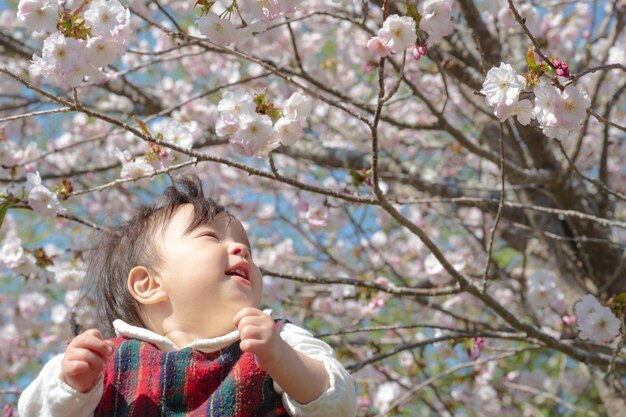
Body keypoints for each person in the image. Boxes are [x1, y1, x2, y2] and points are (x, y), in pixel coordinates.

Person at [18, 177, 357, 417]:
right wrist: (70, 384)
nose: (240, 249)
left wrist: (282, 359)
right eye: (211, 237)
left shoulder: (279, 339)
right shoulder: (107, 363)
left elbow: (338, 406)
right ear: (149, 285)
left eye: (248, 250)